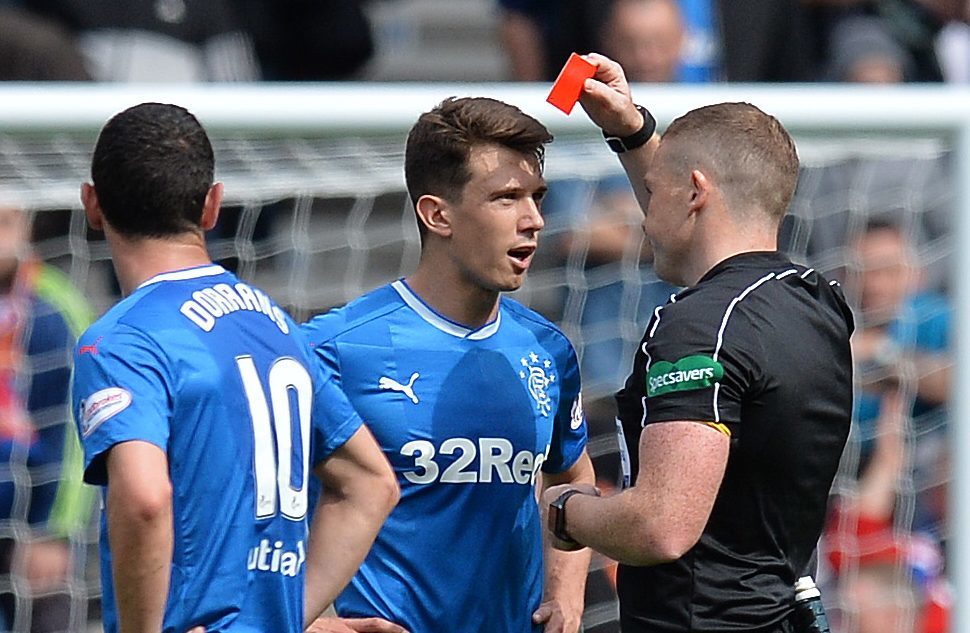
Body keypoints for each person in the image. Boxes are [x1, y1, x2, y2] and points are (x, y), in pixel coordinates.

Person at [540, 54, 855, 632]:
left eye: (656, 193)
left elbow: (661, 525)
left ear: (694, 192)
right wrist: (632, 130)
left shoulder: (701, 325)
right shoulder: (818, 303)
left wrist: (565, 511)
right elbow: (698, 207)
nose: (644, 219)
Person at [72, 102, 398, 633]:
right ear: (212, 206)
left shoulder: (122, 340)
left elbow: (145, 498)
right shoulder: (275, 325)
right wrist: (289, 619)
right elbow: (372, 483)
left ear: (92, 204)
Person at [303, 96, 595, 633]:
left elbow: (571, 475)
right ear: (438, 215)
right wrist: (312, 623)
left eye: (537, 197)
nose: (534, 220)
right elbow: (249, 493)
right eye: (507, 198)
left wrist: (565, 593)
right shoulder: (334, 348)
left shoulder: (545, 349)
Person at [0, 204, 93, 632]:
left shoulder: (55, 306)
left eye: (3, 222)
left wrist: (54, 530)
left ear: (27, 226)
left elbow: (76, 430)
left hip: (32, 520)